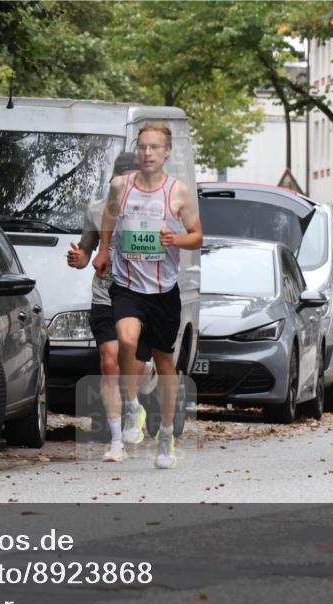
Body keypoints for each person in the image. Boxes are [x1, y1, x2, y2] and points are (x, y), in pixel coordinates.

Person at [94, 123, 203, 469]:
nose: (147, 153)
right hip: (127, 286)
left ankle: (166, 436)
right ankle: (132, 407)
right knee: (126, 340)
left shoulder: (179, 192)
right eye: (142, 147)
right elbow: (109, 215)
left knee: (165, 364)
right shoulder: (120, 186)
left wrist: (175, 239)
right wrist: (104, 250)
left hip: (163, 291)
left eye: (155, 147)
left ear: (167, 152)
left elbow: (197, 236)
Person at [66, 152, 151, 462]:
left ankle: (135, 404)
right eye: (121, 181)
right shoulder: (96, 210)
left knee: (134, 364)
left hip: (141, 295)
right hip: (105, 295)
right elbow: (85, 253)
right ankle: (116, 442)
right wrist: (78, 258)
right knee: (109, 362)